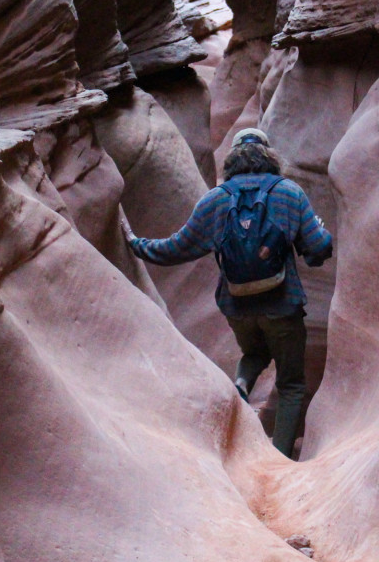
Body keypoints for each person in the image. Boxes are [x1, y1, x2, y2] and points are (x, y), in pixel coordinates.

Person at [123, 127, 333, 458]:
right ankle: (279, 458)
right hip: (283, 304)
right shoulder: (289, 193)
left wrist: (137, 244)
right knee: (291, 385)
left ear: (232, 159)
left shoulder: (216, 199)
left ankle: (241, 386)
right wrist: (320, 235)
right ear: (268, 155)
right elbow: (318, 249)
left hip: (237, 306)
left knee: (254, 354)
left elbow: (177, 247)